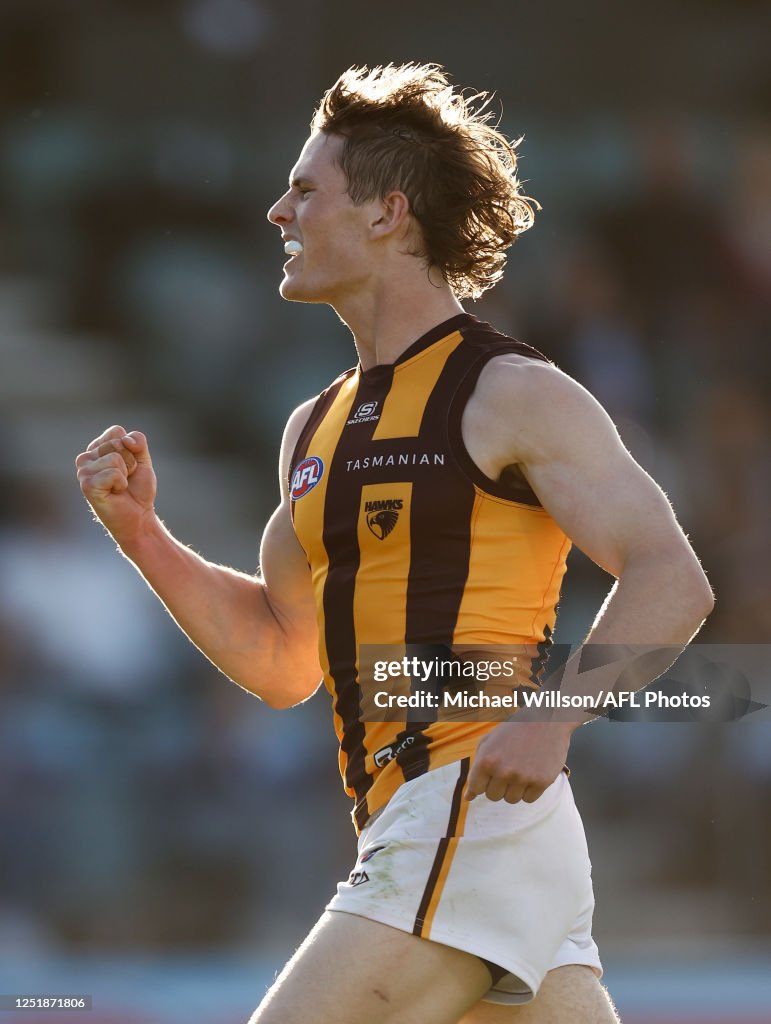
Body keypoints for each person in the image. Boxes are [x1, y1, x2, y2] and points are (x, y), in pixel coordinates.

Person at [76, 63, 714, 1024]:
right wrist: (144, 538)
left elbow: (674, 578)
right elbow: (285, 659)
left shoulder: (509, 390)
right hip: (435, 830)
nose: (275, 212)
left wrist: (550, 719)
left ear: (387, 213)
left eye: (304, 189)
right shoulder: (313, 426)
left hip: (466, 814)